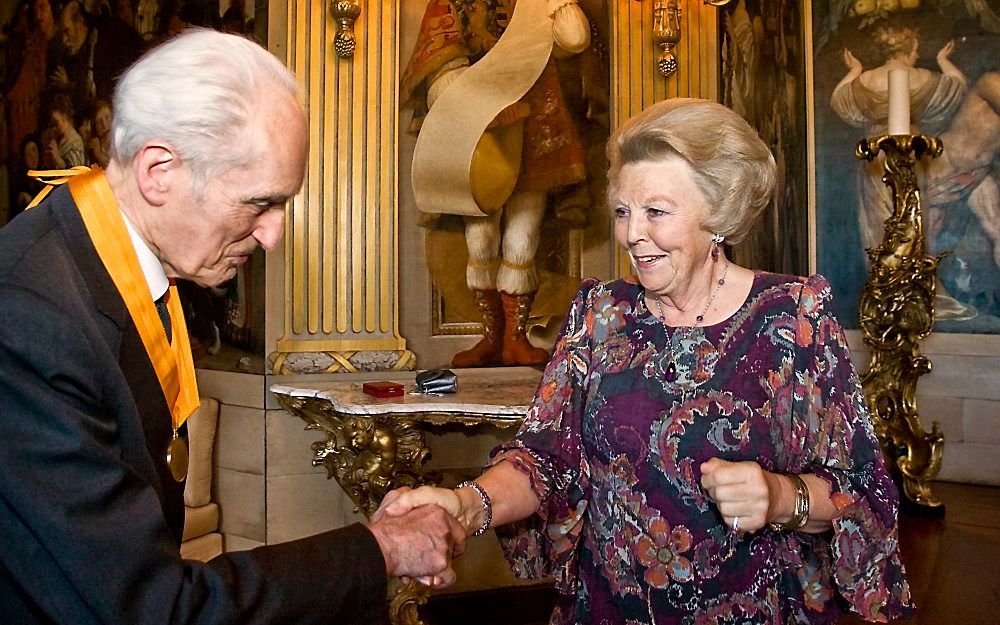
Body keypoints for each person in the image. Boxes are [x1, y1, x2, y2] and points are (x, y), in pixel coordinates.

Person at [376, 99, 915, 624]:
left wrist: (781, 496)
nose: (632, 234)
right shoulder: (600, 313)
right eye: (623, 211)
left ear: (718, 213)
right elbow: (544, 460)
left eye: (655, 211)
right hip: (605, 610)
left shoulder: (793, 316)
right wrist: (465, 505)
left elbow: (860, 490)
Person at [0, 29, 465, 625]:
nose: (272, 235)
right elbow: (155, 609)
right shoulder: (29, 317)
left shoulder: (99, 265)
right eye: (259, 204)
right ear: (159, 171)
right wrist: (382, 548)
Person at [401, 0, 596, 368]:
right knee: (481, 239)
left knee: (522, 241)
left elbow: (574, 38)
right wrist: (478, 105)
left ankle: (514, 339)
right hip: (480, 134)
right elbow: (440, 65)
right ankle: (490, 338)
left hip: (537, 124)